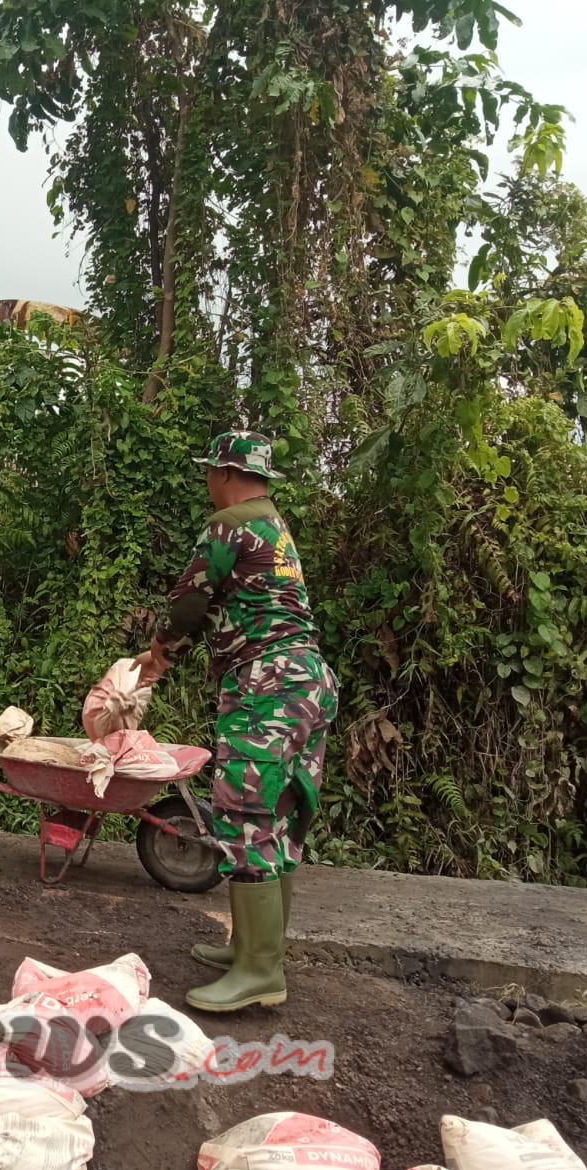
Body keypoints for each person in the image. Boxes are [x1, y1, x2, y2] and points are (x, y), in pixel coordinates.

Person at [140, 430, 338, 1012]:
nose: (208, 482)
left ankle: (259, 970)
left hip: (267, 684)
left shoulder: (230, 525)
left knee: (244, 814)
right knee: (278, 813)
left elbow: (190, 599)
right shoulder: (274, 527)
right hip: (308, 680)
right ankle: (256, 948)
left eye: (210, 472)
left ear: (224, 473)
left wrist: (160, 651)